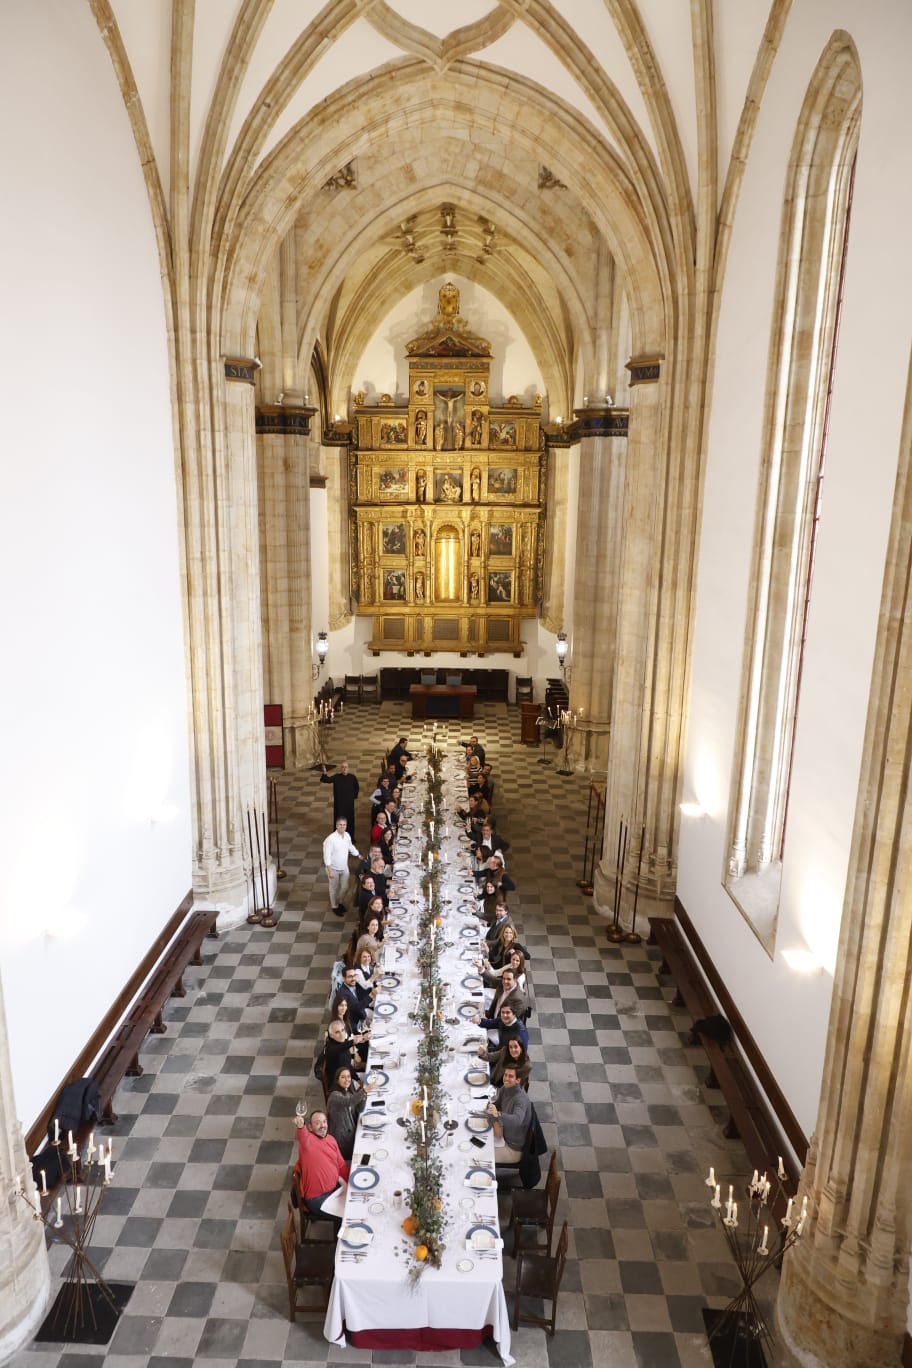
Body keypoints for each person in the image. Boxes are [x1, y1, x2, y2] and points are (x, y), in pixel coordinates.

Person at [294, 1106, 350, 1217]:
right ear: (310, 1127)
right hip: (318, 1198)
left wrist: (353, 1183)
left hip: (336, 1188)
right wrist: (301, 1126)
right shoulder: (307, 1142)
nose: (323, 1125)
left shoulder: (331, 1139)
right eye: (317, 1123)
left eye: (324, 1122)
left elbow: (342, 1166)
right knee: (349, 1216)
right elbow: (302, 1134)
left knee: (358, 1204)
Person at [487, 1065, 533, 1162]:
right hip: (504, 1133)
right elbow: (497, 1105)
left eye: (511, 1076)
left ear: (518, 1080)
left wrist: (497, 1115)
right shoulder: (505, 1088)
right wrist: (490, 1107)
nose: (506, 1078)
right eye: (505, 1075)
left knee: (482, 1156)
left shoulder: (520, 1100)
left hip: (513, 1147)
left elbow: (517, 1120)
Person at [326, 1066, 370, 1162]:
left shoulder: (348, 1093)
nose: (347, 1079)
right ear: (337, 1080)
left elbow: (360, 1109)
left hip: (351, 1131)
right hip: (343, 1141)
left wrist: (364, 1095)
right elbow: (349, 1102)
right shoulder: (334, 1096)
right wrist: (364, 1091)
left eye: (348, 1076)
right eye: (343, 1077)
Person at [323, 817, 359, 918]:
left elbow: (350, 846)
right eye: (340, 825)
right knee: (334, 888)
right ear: (336, 826)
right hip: (333, 868)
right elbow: (327, 856)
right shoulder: (330, 839)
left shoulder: (347, 835)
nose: (342, 827)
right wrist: (329, 871)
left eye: (344, 825)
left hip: (344, 867)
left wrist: (357, 854)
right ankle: (335, 906)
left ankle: (339, 902)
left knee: (345, 887)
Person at [320, 758, 359, 840]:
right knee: (339, 821)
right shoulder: (336, 777)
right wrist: (324, 772)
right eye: (343, 767)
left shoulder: (352, 777)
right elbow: (326, 780)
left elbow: (356, 788)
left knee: (349, 821)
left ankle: (350, 837)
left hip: (349, 804)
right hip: (339, 804)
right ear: (341, 769)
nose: (344, 769)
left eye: (346, 767)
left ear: (348, 768)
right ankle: (338, 837)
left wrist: (353, 797)